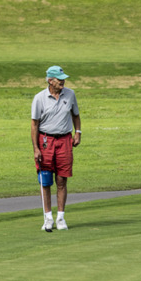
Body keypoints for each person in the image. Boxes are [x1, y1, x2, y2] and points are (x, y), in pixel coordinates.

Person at [31, 65, 81, 232]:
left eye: (63, 79)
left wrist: (78, 132)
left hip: (65, 141)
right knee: (45, 180)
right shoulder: (39, 98)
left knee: (62, 179)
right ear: (50, 81)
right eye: (59, 80)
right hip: (46, 141)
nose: (63, 82)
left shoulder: (70, 94)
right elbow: (34, 125)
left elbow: (75, 115)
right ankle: (48, 218)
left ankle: (60, 217)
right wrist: (36, 149)